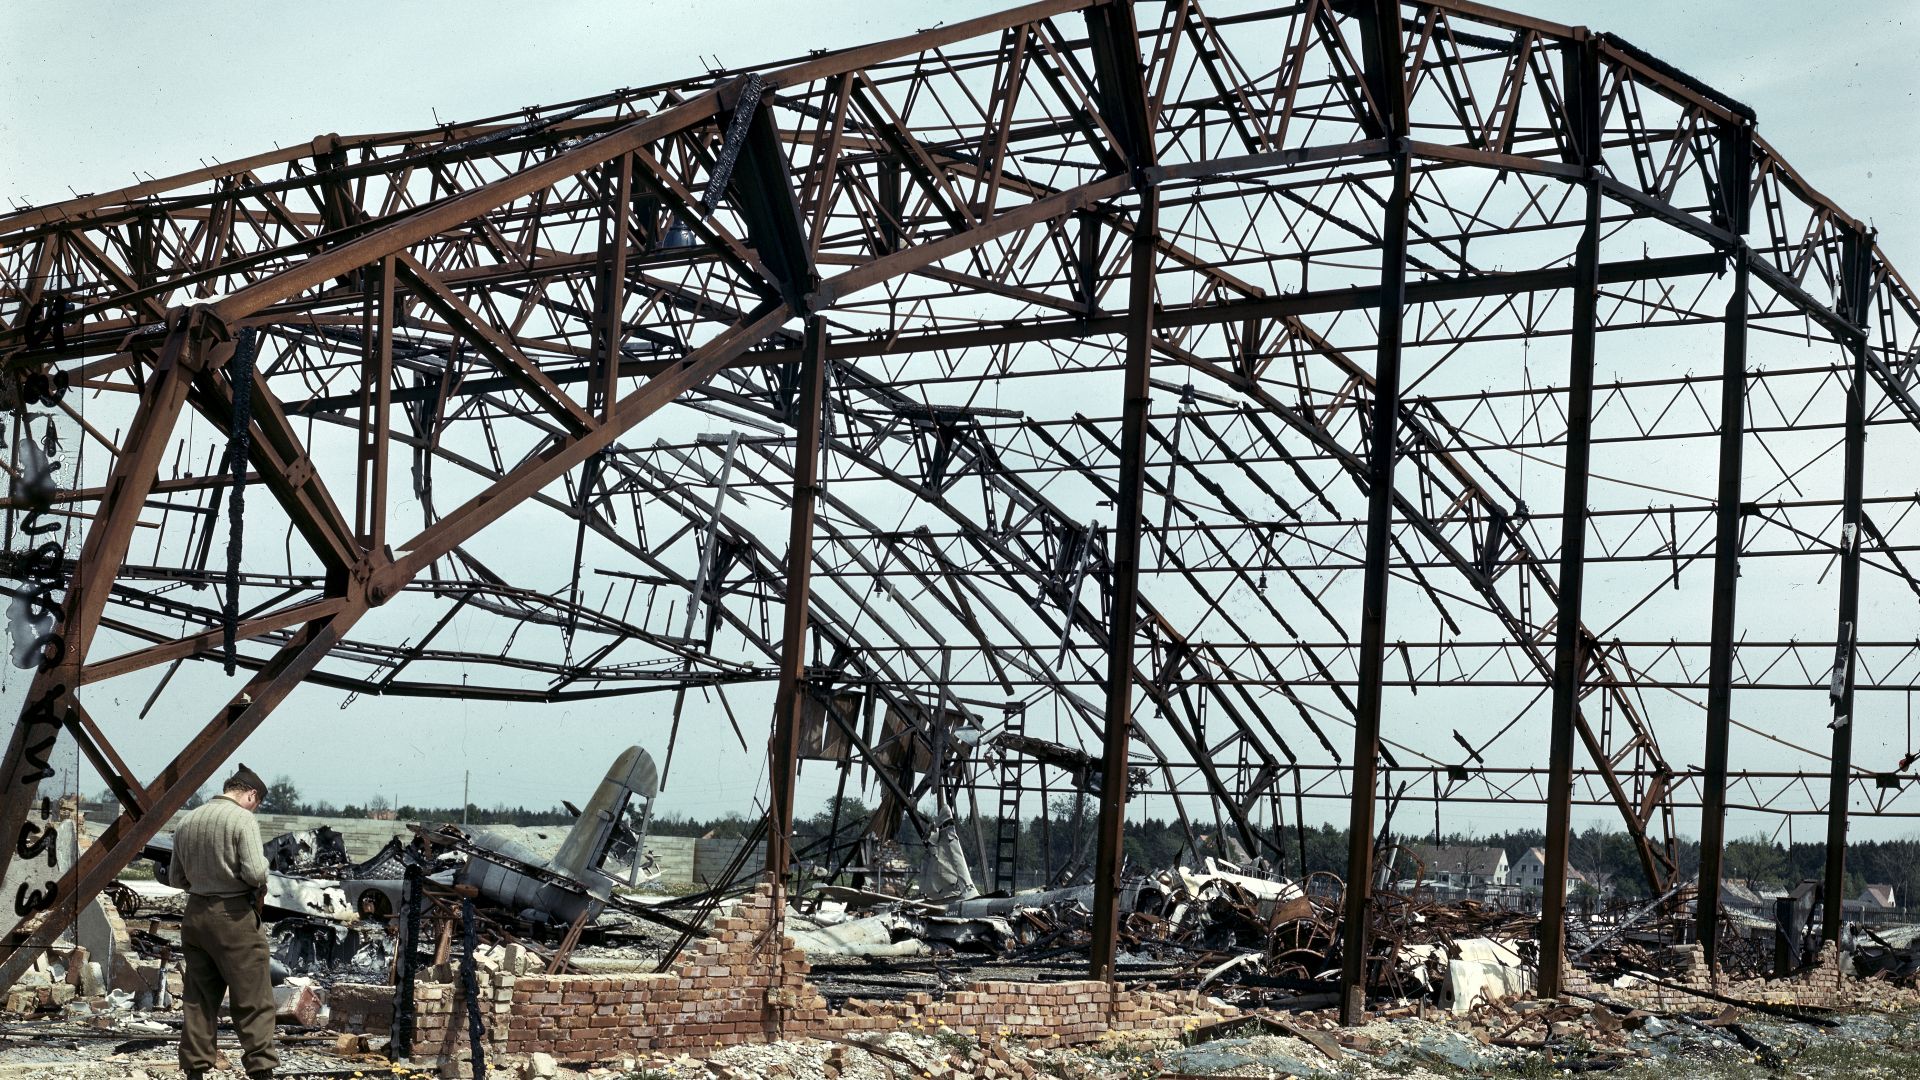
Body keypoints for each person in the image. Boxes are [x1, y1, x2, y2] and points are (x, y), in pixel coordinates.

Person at [167, 764, 277, 1080]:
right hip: (234, 917)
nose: (254, 808)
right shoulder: (243, 819)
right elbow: (256, 873)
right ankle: (261, 1071)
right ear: (251, 794)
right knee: (253, 999)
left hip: (195, 916)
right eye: (256, 802)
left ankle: (195, 1071)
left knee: (199, 999)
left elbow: (176, 877)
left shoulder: (188, 820)